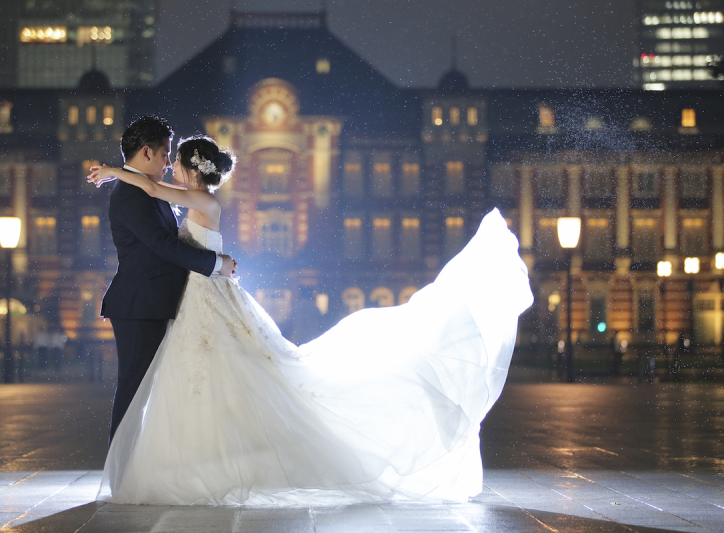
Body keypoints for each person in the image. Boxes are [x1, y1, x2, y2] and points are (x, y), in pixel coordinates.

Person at [87, 135, 533, 506]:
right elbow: (155, 198)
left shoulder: (198, 199)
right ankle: (203, 460)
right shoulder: (198, 198)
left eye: (177, 162)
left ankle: (201, 461)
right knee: (219, 375)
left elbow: (152, 192)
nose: (170, 167)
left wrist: (112, 170)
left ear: (194, 170)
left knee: (216, 374)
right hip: (204, 296)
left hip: (206, 296)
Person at [100, 116, 236, 444]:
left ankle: (140, 464)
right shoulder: (132, 193)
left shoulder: (148, 190)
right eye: (164, 155)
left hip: (157, 301)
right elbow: (164, 246)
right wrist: (217, 263)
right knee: (135, 387)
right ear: (146, 152)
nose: (166, 164)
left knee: (153, 387)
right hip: (139, 304)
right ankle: (121, 469)